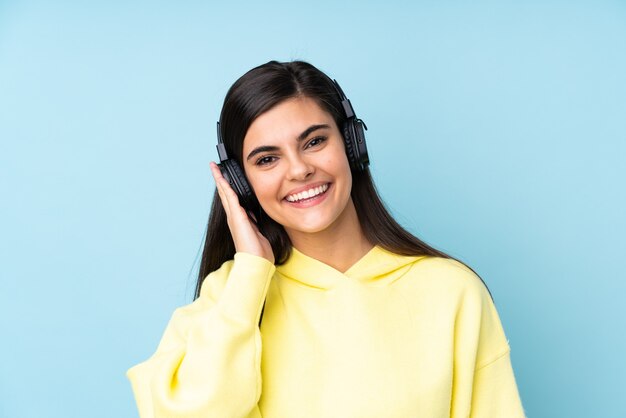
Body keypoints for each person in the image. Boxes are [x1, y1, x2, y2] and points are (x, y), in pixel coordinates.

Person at [126, 60, 526, 418]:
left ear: (352, 144)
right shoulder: (229, 299)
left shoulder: (452, 292)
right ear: (240, 184)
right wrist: (251, 275)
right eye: (267, 159)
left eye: (314, 141)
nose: (299, 170)